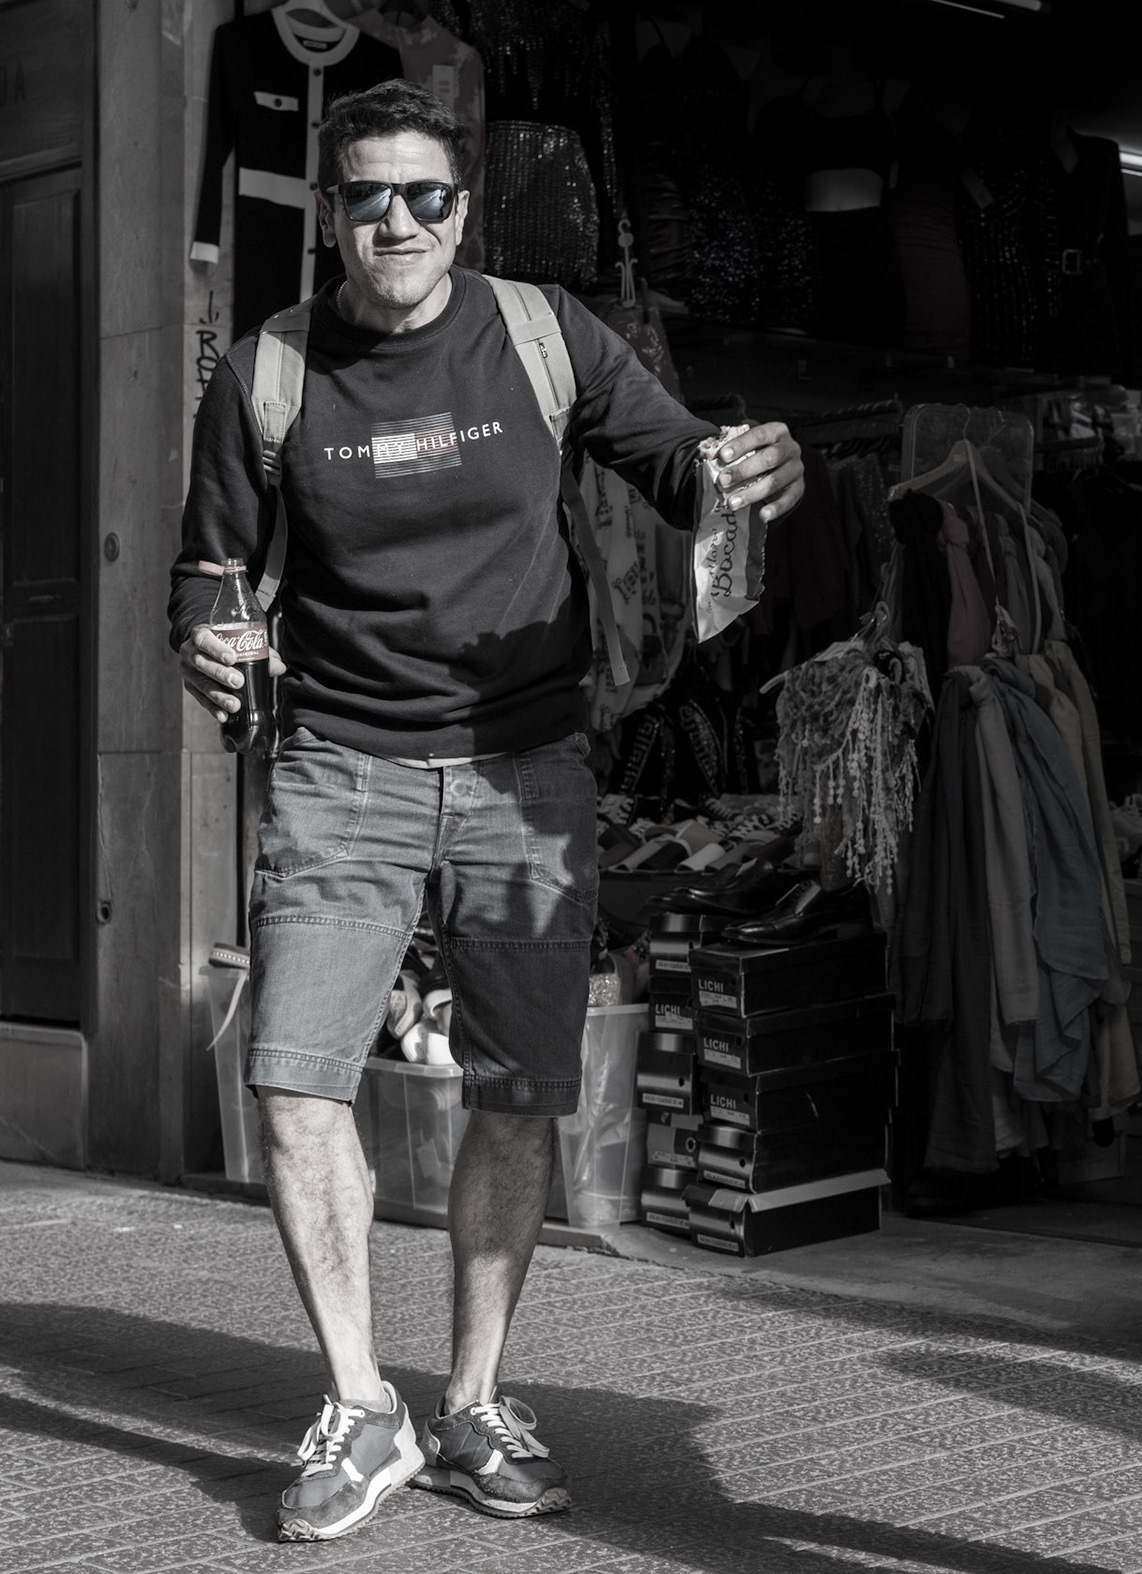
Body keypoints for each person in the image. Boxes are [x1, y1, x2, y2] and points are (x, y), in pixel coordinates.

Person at [168, 79, 802, 1543]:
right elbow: (208, 571)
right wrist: (204, 635)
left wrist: (752, 472)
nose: (395, 221)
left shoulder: (543, 334)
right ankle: (359, 1404)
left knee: (521, 1090)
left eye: (426, 197)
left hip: (529, 773)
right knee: (293, 1075)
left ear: (463, 211)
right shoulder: (269, 367)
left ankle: (471, 1401)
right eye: (367, 197)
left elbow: (684, 467)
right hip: (342, 767)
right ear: (332, 213)